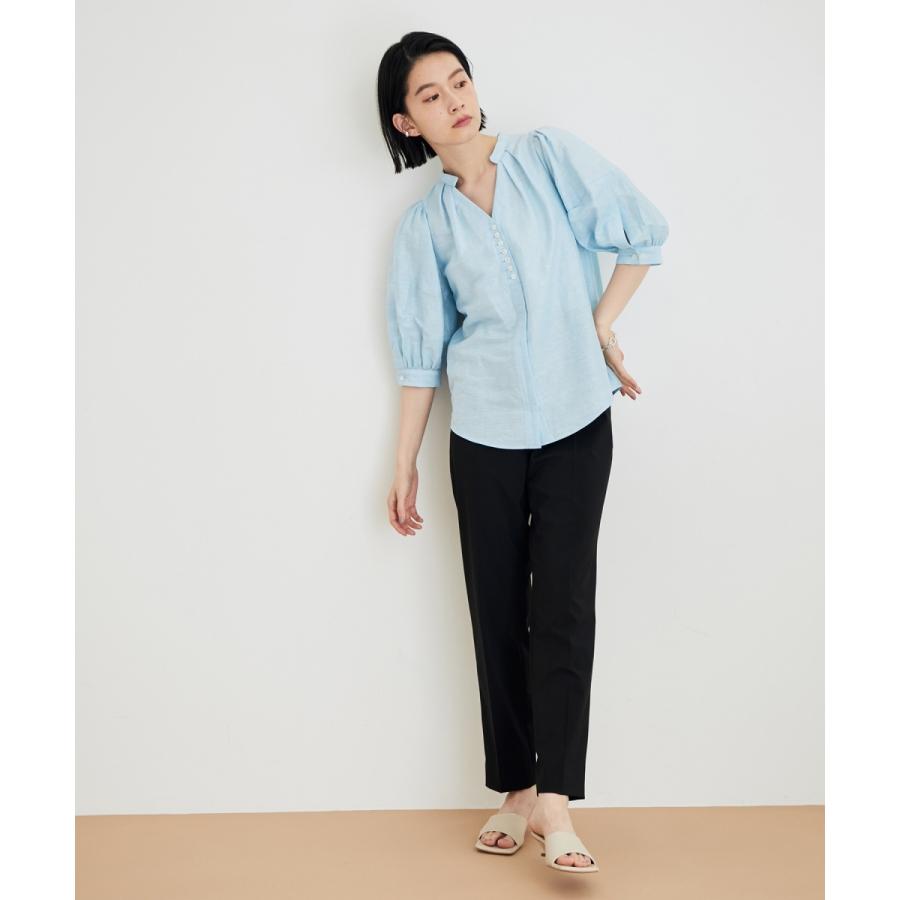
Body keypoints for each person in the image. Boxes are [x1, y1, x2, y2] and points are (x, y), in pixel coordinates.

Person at [378, 32, 669, 875]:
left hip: (579, 421)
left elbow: (643, 234)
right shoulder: (425, 226)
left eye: (458, 81)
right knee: (497, 610)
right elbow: (421, 355)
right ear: (407, 122)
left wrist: (598, 325)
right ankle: (514, 787)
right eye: (430, 95)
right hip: (484, 437)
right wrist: (402, 461)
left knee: (564, 608)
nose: (455, 101)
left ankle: (556, 802)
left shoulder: (548, 159)